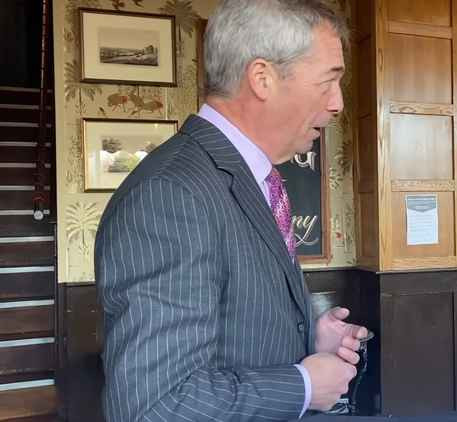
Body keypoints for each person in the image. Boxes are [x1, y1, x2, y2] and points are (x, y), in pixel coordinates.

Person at [94, 1, 368, 420]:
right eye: (329, 81)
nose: (338, 104)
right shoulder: (172, 194)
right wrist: (304, 385)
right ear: (262, 78)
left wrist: (306, 343)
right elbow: (155, 406)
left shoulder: (249, 177)